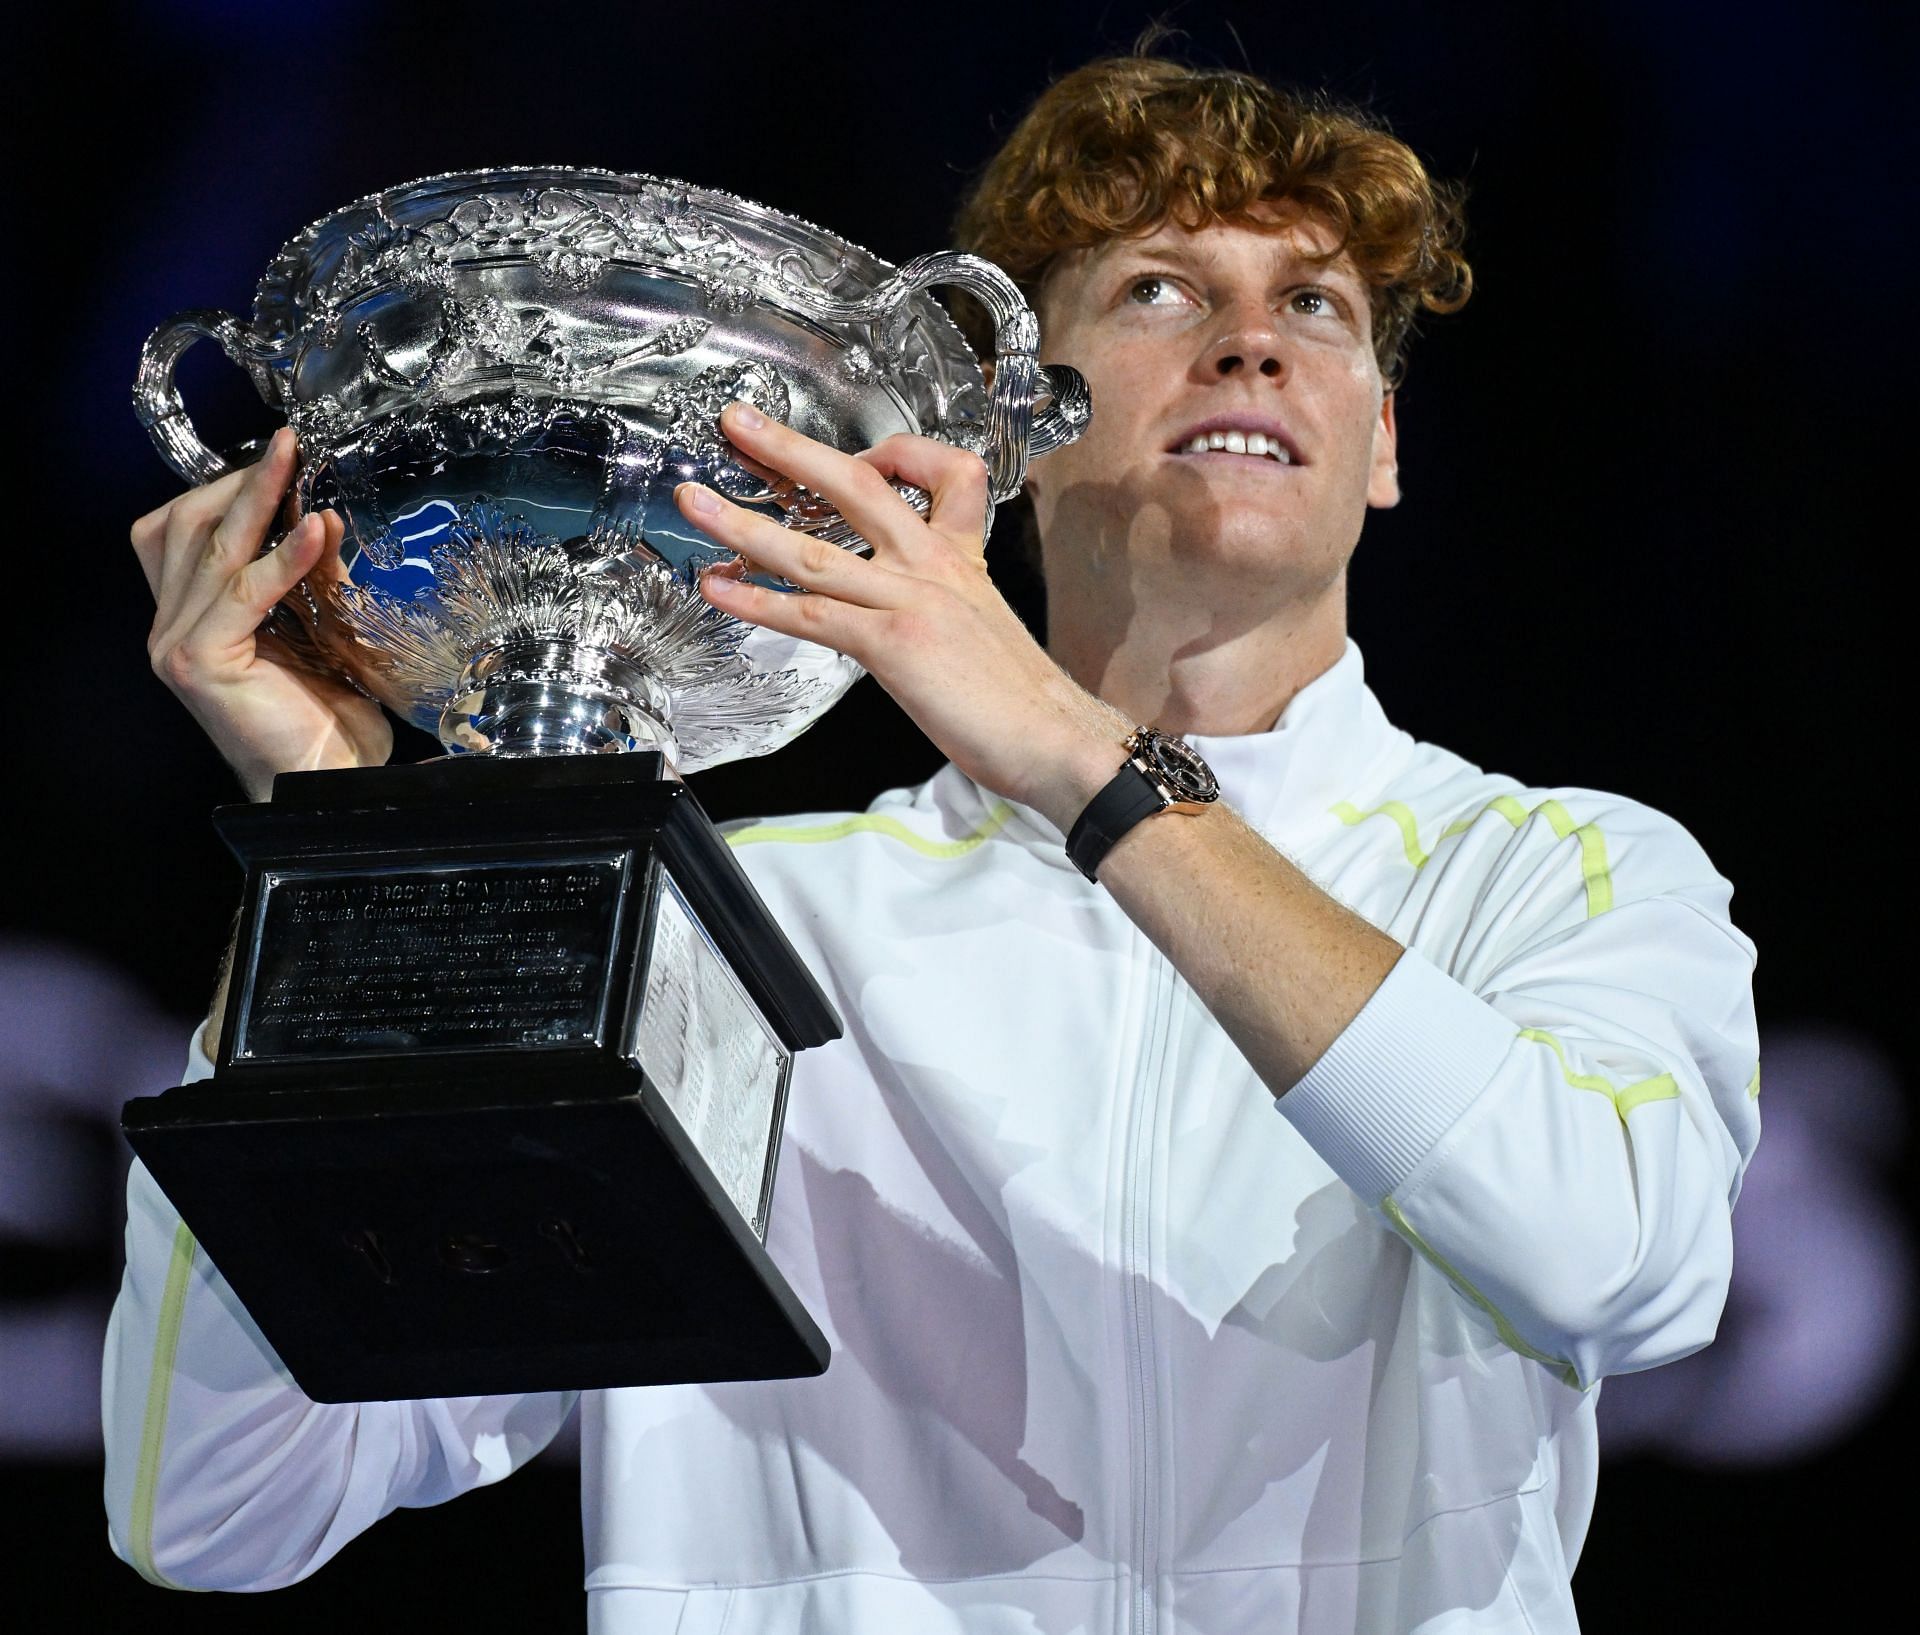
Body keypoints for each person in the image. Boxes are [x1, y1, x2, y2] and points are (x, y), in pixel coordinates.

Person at [104, 54, 1760, 1635]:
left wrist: (1082, 764)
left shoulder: (1564, 871)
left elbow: (1612, 1264)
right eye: (1161, 291)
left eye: (1314, 306)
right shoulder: (741, 927)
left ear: (1384, 441)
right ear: (1006, 432)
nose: (1253, 342)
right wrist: (346, 875)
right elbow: (218, 1509)